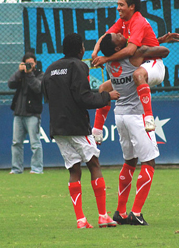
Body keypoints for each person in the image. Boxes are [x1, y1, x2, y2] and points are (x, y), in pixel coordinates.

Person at [42, 33, 120, 229]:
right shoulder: (78, 66)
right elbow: (84, 98)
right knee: (94, 164)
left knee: (74, 169)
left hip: (57, 128)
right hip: (77, 125)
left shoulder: (50, 69)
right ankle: (103, 216)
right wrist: (106, 96)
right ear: (80, 50)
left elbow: (47, 96)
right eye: (83, 46)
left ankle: (81, 220)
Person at [98, 33, 169, 226]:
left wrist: (156, 41)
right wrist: (151, 47)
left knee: (130, 161)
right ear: (117, 49)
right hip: (137, 115)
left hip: (120, 114)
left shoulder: (109, 63)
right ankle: (136, 213)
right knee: (149, 162)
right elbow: (164, 52)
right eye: (118, 37)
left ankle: (120, 212)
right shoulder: (134, 55)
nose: (122, 35)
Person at [92, 0, 175, 134]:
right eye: (118, 4)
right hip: (139, 64)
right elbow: (105, 36)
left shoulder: (138, 21)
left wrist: (106, 58)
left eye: (121, 4)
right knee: (103, 88)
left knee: (138, 75)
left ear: (132, 6)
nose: (118, 8)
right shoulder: (123, 21)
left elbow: (130, 51)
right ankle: (97, 131)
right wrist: (94, 52)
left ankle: (148, 118)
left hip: (153, 64)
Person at [8, 52, 44, 175]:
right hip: (18, 113)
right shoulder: (20, 75)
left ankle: (37, 169)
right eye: (27, 63)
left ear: (35, 63)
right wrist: (19, 72)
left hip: (32, 114)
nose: (29, 66)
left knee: (35, 143)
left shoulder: (40, 75)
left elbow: (38, 88)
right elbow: (10, 84)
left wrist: (29, 74)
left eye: (31, 63)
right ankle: (16, 169)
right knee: (16, 143)